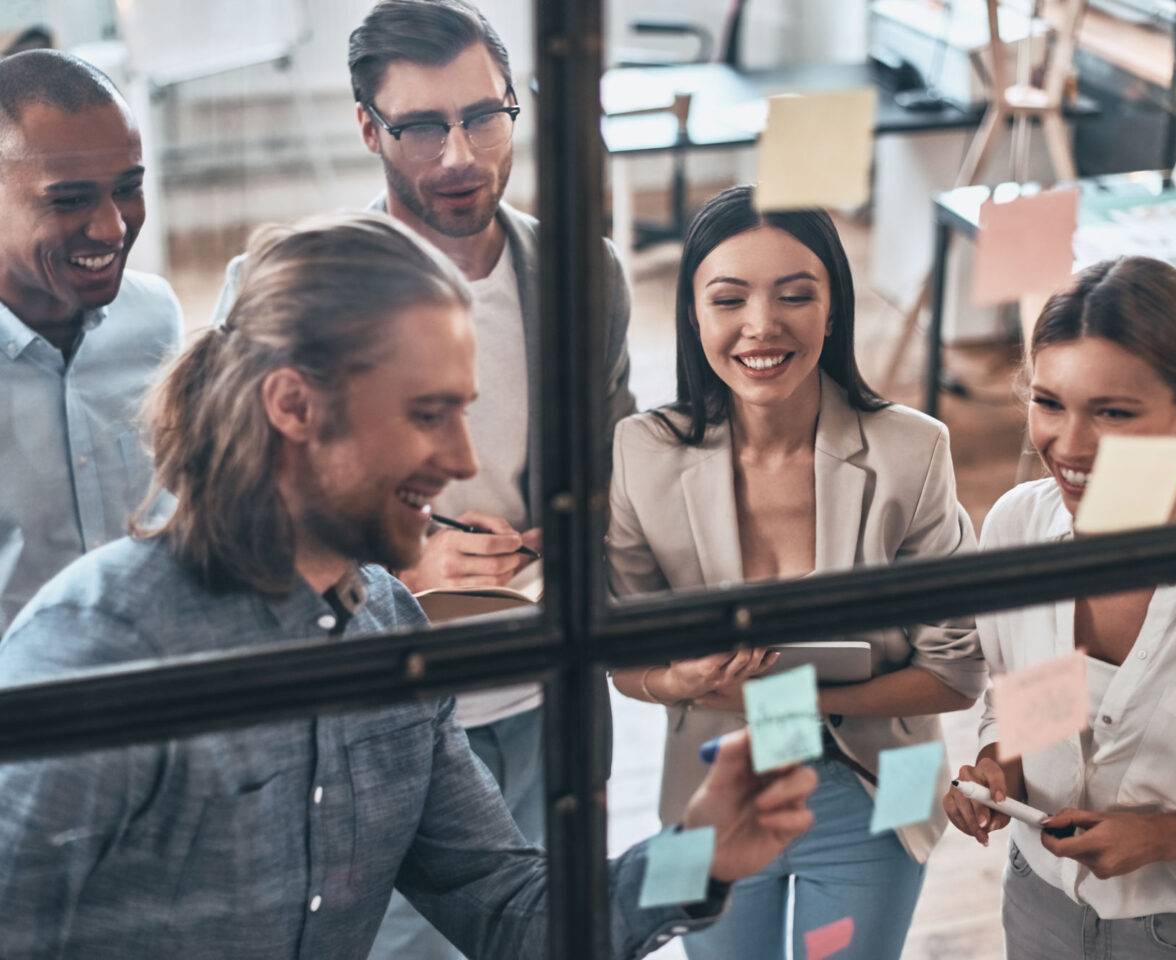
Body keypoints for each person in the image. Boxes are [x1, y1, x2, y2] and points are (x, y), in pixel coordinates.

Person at [0, 212, 817, 960]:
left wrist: (696, 852)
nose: (462, 461)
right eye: (428, 414)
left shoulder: (390, 627)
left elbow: (510, 910)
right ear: (294, 405)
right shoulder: (95, 646)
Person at [213, 9, 634, 951]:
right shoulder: (286, 287)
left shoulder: (584, 274)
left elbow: (613, 473)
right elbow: (224, 514)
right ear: (368, 128)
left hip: (547, 698)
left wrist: (571, 545)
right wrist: (406, 558)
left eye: (484, 117)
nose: (459, 155)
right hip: (378, 715)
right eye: (420, 126)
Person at [607, 185, 987, 960]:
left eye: (795, 296)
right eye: (729, 298)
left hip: (885, 792)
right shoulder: (640, 455)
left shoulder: (915, 452)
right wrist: (675, 682)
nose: (761, 325)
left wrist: (786, 698)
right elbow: (625, 658)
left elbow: (957, 674)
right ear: (693, 315)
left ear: (833, 310)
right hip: (706, 794)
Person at [943, 256, 1176, 959]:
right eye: (1049, 402)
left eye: (1113, 413)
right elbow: (1030, 700)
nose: (1069, 446)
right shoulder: (1018, 529)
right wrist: (996, 765)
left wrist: (1164, 837)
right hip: (1036, 901)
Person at [0, 49, 181, 633]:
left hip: (157, 693)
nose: (112, 227)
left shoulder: (155, 319)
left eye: (127, 188)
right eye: (70, 199)